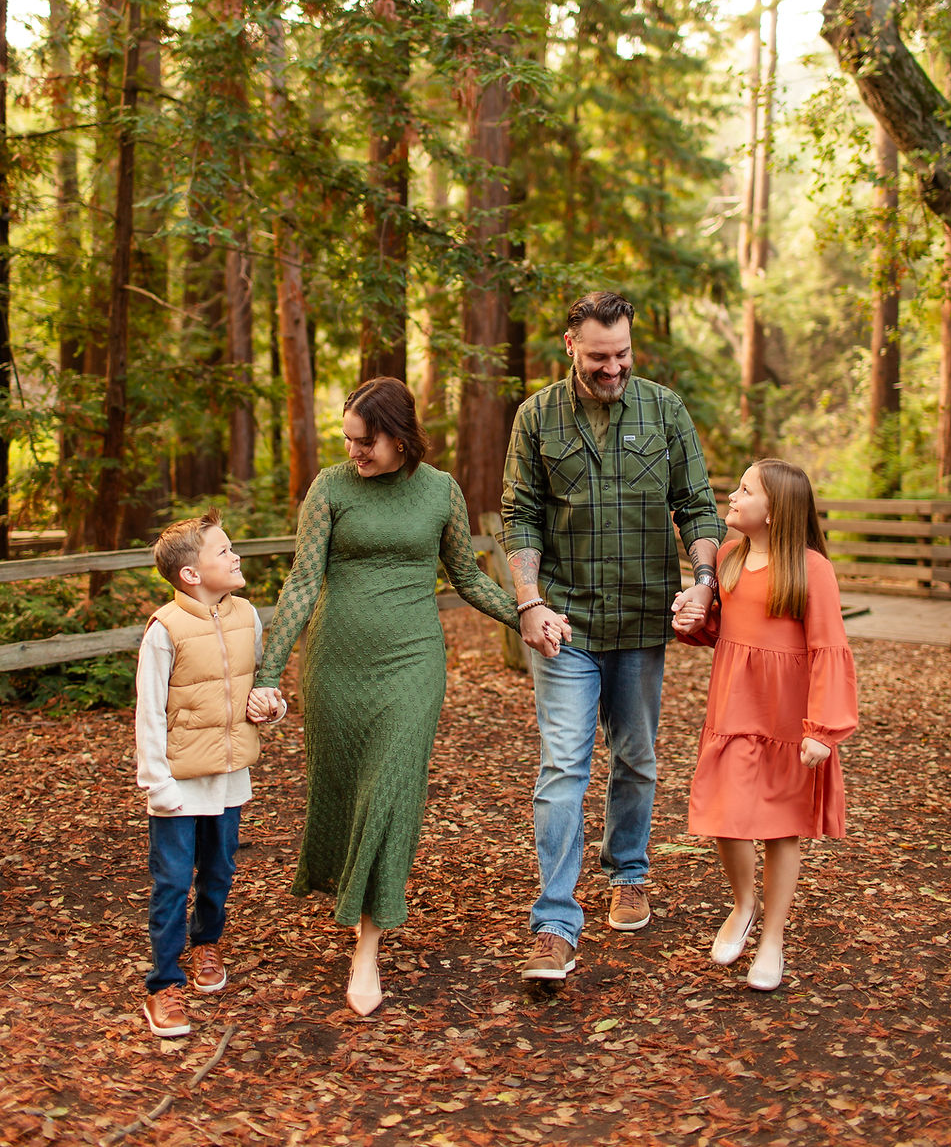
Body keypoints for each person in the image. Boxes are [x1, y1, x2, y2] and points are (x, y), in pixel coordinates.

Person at [248, 376, 570, 1016]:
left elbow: (468, 577)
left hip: (412, 661)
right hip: (337, 662)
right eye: (347, 440)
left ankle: (367, 942)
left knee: (394, 783)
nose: (354, 453)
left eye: (366, 442)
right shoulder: (331, 489)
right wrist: (267, 673)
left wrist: (524, 615)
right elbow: (302, 583)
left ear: (401, 437)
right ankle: (351, 891)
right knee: (345, 785)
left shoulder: (440, 490)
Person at [500, 290, 727, 982]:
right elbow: (519, 513)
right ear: (570, 345)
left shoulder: (664, 409)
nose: (612, 367)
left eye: (622, 354)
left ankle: (629, 871)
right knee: (563, 766)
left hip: (640, 620)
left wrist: (704, 580)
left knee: (636, 756)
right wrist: (529, 602)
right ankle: (555, 923)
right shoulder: (537, 416)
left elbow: (698, 506)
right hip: (566, 620)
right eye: (599, 356)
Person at [672, 460, 859, 991]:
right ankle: (743, 904)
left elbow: (828, 648)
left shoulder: (811, 569)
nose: (731, 495)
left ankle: (772, 938)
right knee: (724, 816)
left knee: (779, 828)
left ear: (773, 511)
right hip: (733, 708)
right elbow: (723, 630)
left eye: (744, 490)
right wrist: (694, 620)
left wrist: (822, 728)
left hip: (786, 719)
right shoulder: (729, 558)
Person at [135, 509, 284, 1038]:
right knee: (173, 882)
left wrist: (271, 708)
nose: (235, 556)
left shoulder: (246, 614)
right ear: (191, 574)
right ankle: (164, 985)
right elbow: (149, 712)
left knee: (219, 870)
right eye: (223, 551)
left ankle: (206, 945)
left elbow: (257, 689)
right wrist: (157, 784)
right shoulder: (164, 629)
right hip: (177, 781)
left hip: (228, 778)